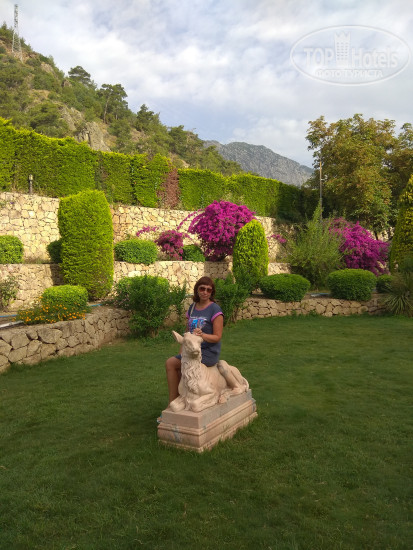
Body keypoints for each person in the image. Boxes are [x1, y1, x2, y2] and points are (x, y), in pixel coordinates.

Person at [165, 276, 224, 404]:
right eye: (202, 288)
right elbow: (187, 334)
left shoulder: (215, 309)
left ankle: (185, 398)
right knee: (171, 363)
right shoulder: (192, 308)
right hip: (191, 349)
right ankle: (174, 400)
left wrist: (202, 335)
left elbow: (217, 337)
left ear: (212, 292)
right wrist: (182, 352)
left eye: (209, 290)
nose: (205, 292)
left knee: (181, 365)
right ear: (197, 289)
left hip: (207, 352)